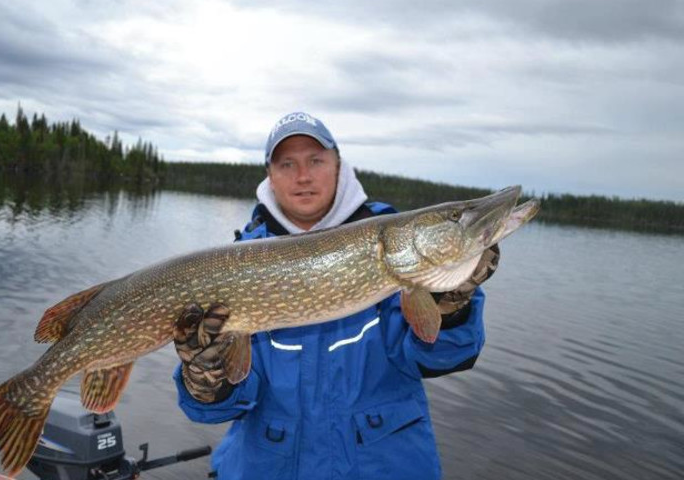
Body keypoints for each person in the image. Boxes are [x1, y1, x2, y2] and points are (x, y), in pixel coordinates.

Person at [172, 112, 499, 479]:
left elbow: (436, 356)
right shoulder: (237, 265)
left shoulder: (392, 247)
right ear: (270, 175)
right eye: (287, 163)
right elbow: (216, 408)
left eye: (315, 160)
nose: (303, 176)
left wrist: (452, 309)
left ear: (339, 165)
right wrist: (206, 377)